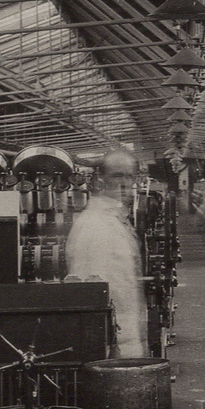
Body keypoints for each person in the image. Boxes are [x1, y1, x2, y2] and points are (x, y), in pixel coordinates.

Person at [65, 148, 148, 357]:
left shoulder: (115, 219)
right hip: (112, 348)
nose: (124, 183)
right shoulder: (95, 225)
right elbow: (90, 296)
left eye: (129, 176)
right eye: (117, 175)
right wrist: (109, 351)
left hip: (127, 339)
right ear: (100, 179)